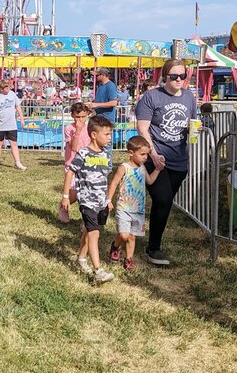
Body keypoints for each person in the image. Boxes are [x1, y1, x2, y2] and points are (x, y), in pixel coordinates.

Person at [135, 58, 197, 266]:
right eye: (174, 76)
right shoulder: (152, 97)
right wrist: (153, 155)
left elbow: (192, 123)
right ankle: (154, 248)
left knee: (165, 204)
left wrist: (198, 130)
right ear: (165, 77)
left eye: (182, 76)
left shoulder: (189, 97)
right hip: (156, 158)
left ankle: (152, 239)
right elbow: (143, 129)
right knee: (163, 200)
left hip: (179, 159)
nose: (179, 80)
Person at [61, 115, 115, 284]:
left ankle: (81, 258)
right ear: (93, 135)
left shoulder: (106, 155)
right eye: (106, 134)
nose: (109, 138)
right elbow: (71, 171)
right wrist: (65, 196)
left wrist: (108, 199)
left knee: (89, 231)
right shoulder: (83, 153)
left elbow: (105, 177)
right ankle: (98, 270)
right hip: (87, 201)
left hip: (101, 201)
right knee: (94, 233)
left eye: (110, 134)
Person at [105, 136, 161, 270]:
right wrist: (108, 200)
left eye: (147, 154)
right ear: (131, 153)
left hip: (138, 209)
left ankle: (129, 259)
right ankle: (116, 246)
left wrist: (158, 169)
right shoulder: (124, 168)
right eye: (142, 154)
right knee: (124, 235)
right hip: (123, 207)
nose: (145, 157)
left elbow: (150, 181)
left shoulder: (142, 168)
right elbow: (114, 184)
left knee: (132, 236)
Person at [59, 102, 91, 222]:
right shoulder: (69, 129)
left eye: (83, 116)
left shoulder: (90, 128)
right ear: (72, 115)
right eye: (78, 117)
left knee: (85, 193)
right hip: (72, 163)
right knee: (73, 194)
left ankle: (86, 219)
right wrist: (77, 132)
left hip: (87, 164)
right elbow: (73, 147)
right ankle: (63, 206)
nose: (81, 119)